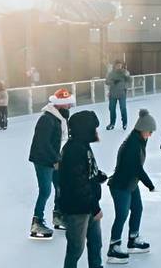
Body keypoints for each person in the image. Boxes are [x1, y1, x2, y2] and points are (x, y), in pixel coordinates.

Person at [106, 109, 156, 263]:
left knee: (137, 209)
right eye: (149, 131)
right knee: (122, 215)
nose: (150, 135)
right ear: (142, 129)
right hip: (121, 185)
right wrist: (150, 185)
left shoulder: (139, 139)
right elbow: (136, 168)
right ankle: (113, 247)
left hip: (131, 183)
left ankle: (133, 239)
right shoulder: (132, 144)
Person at [59, 110, 107, 268]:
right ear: (85, 130)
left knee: (96, 244)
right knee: (76, 249)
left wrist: (98, 175)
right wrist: (95, 207)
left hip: (89, 205)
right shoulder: (73, 150)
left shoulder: (83, 145)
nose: (96, 132)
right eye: (94, 128)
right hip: (77, 209)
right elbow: (78, 184)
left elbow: (86, 171)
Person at [29, 88, 75, 239]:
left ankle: (58, 215)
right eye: (67, 104)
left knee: (60, 186)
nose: (69, 106)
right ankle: (37, 222)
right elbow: (42, 144)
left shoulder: (59, 118)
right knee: (45, 191)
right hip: (43, 160)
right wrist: (56, 159)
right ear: (59, 104)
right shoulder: (47, 119)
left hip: (53, 158)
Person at [105, 60, 130, 130]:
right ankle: (112, 124)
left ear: (121, 66)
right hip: (113, 94)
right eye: (117, 65)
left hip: (122, 94)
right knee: (112, 109)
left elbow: (129, 80)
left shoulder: (124, 72)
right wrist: (113, 82)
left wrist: (127, 75)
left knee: (123, 108)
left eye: (120, 65)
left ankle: (125, 123)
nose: (119, 66)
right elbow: (106, 82)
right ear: (115, 66)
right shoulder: (111, 73)